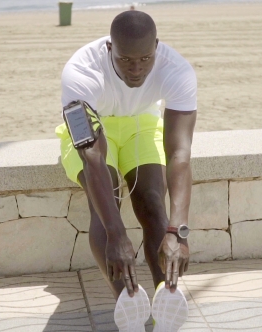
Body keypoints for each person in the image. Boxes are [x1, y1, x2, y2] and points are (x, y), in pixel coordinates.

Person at [55, 10, 196, 331]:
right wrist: (117, 235)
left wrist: (179, 231)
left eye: (145, 59)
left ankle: (166, 300)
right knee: (107, 206)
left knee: (151, 202)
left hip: (140, 127)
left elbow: (180, 153)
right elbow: (91, 155)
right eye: (125, 60)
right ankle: (128, 302)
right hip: (93, 133)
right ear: (109, 49)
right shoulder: (80, 71)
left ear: (157, 48)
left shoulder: (178, 71)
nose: (136, 69)